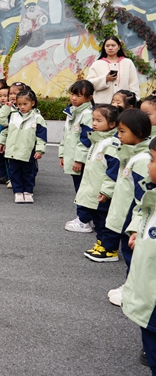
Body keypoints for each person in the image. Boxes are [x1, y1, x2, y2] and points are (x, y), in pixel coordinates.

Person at [104, 109, 153, 306]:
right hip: (126, 216)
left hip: (131, 219)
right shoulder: (133, 155)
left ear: (139, 132)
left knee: (133, 255)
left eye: (122, 131)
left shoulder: (142, 160)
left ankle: (133, 290)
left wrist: (134, 226)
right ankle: (130, 285)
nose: (118, 135)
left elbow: (143, 199)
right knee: (129, 255)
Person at [121, 135, 156, 375]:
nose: (148, 165)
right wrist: (137, 230)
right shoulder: (152, 193)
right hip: (146, 291)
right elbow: (143, 211)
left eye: (152, 160)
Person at [76, 104, 121, 261]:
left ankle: (110, 250)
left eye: (99, 120)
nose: (94, 123)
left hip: (103, 193)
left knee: (105, 221)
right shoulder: (96, 140)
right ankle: (101, 243)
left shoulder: (111, 143)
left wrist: (106, 191)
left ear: (112, 124)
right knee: (97, 219)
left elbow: (113, 171)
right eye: (93, 120)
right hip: (94, 191)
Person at [0, 89, 47, 203]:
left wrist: (40, 150)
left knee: (28, 172)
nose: (22, 107)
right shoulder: (13, 115)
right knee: (14, 172)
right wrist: (6, 107)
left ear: (32, 103)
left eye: (25, 104)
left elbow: (41, 136)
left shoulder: (37, 117)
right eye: (19, 104)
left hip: (28, 152)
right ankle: (18, 192)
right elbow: (2, 122)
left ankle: (28, 192)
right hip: (13, 151)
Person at [60, 80, 95, 232]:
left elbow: (86, 139)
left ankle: (84, 219)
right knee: (79, 188)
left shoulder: (87, 114)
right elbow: (66, 135)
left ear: (89, 98)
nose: (74, 98)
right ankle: (85, 217)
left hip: (80, 160)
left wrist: (79, 159)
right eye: (73, 94)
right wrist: (62, 154)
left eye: (79, 96)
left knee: (83, 189)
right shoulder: (72, 111)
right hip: (72, 158)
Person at [85, 36, 140, 104]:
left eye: (113, 45)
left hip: (124, 104)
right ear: (104, 48)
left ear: (119, 47)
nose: (110, 48)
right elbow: (89, 85)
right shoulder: (97, 64)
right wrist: (105, 79)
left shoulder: (127, 63)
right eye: (107, 46)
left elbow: (133, 83)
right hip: (102, 105)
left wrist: (134, 99)